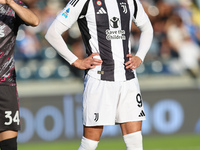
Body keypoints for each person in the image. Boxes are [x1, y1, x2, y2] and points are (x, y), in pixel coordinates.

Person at [45, 0, 153, 149]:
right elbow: (52, 33)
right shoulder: (83, 2)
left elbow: (147, 28)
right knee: (89, 144)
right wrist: (75, 61)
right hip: (99, 79)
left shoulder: (130, 1)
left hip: (128, 78)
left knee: (135, 142)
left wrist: (140, 55)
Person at [0, 0, 39, 149]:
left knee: (9, 146)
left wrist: (10, 2)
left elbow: (34, 20)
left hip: (5, 84)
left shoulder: (13, 6)